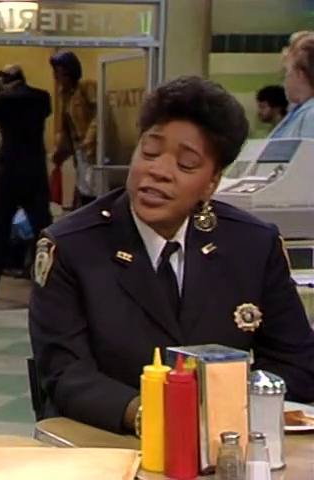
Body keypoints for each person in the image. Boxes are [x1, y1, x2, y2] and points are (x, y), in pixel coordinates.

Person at [29, 76, 314, 436]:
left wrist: (228, 413)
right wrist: (154, 417)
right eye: (149, 152)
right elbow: (65, 373)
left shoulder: (253, 244)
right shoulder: (72, 245)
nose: (159, 171)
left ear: (212, 182)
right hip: (108, 440)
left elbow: (295, 362)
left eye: (186, 164)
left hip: (227, 439)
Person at [0, 65, 53, 299]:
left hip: (9, 172)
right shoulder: (42, 98)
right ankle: (47, 281)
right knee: (43, 230)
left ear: (6, 82)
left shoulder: (3, 102)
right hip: (35, 171)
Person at [49, 50, 98, 208]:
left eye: (59, 73)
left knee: (91, 188)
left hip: (93, 148)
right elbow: (66, 126)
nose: (56, 78)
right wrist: (59, 152)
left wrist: (89, 140)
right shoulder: (65, 95)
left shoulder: (86, 88)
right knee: (83, 186)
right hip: (79, 148)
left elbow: (100, 115)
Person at [270, 31, 314, 138]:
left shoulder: (311, 116)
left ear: (299, 74)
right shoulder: (300, 111)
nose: (283, 80)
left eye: (286, 71)